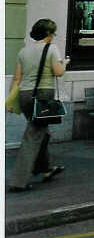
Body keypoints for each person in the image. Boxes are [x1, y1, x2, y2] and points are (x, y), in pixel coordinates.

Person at [7, 19, 67, 192]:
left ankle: (45, 168)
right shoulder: (52, 49)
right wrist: (64, 64)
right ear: (49, 34)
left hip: (25, 94)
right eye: (53, 33)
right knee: (33, 135)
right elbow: (58, 72)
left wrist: (12, 99)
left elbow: (17, 78)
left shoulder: (24, 51)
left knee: (40, 130)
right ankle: (18, 181)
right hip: (43, 94)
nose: (53, 36)